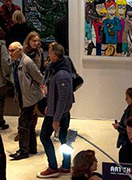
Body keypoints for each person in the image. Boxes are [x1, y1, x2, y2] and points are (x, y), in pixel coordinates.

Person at [38, 43, 74, 178]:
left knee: (44, 136)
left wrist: (56, 119)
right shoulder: (57, 68)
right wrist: (49, 104)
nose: (48, 54)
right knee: (64, 139)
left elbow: (62, 99)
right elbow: (55, 94)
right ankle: (65, 166)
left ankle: (53, 167)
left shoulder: (61, 74)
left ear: (55, 55)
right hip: (57, 111)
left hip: (57, 114)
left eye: (49, 52)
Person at [8, 41, 44, 161]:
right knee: (29, 124)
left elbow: (39, 77)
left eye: (12, 50)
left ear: (20, 51)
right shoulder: (15, 62)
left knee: (23, 125)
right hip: (23, 97)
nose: (10, 53)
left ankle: (23, 150)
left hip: (29, 98)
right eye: (9, 50)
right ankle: (31, 148)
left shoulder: (27, 62)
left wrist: (34, 90)